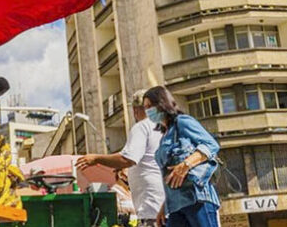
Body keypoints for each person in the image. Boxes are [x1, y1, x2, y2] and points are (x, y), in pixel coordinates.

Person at [77, 89, 165, 226]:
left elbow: (127, 159)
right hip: (166, 205)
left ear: (136, 110)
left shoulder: (142, 127)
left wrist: (96, 158)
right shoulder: (162, 129)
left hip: (152, 208)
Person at [142, 86, 220, 227]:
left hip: (196, 198)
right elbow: (170, 177)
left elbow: (211, 145)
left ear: (162, 103)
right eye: (145, 107)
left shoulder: (182, 122)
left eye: (150, 106)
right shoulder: (164, 136)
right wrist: (163, 208)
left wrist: (185, 165)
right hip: (175, 206)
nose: (147, 111)